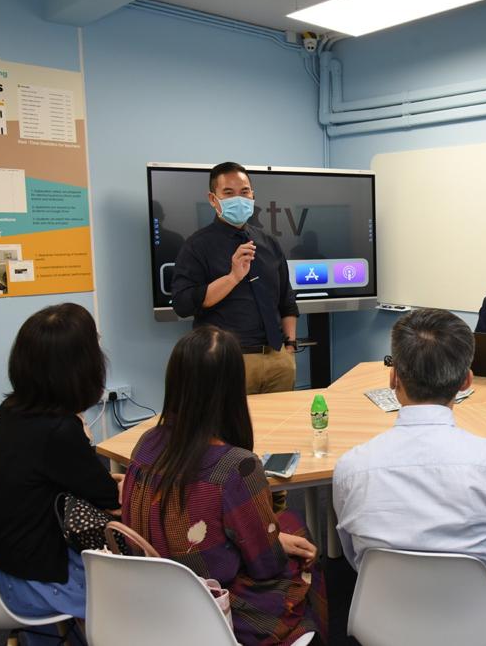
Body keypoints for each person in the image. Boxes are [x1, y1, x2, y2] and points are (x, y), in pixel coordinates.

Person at [122, 326, 325, 646]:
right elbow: (266, 566)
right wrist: (273, 538)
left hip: (153, 602)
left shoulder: (146, 443)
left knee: (286, 531)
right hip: (215, 610)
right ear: (232, 388)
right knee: (301, 542)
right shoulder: (237, 467)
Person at [333, 308, 486, 602]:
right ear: (466, 382)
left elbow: (357, 561)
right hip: (481, 623)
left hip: (380, 620)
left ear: (394, 379)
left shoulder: (350, 468)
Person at [0, 303, 121, 620]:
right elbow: (111, 501)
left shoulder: (12, 410)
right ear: (81, 366)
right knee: (155, 576)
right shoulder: (59, 430)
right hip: (39, 584)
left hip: (2, 567)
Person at [171, 162, 299, 394]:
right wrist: (232, 277)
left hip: (277, 359)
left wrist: (289, 347)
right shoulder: (196, 246)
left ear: (252, 196)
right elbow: (183, 304)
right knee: (227, 419)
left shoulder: (268, 243)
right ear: (213, 199)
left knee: (283, 418)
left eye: (244, 192)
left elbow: (286, 300)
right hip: (226, 361)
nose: (238, 199)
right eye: (228, 193)